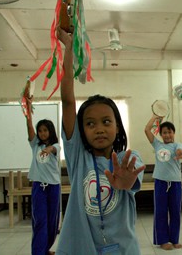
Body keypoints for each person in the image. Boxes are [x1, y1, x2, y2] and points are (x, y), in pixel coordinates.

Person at [55, 26, 146, 255]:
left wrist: (125, 183)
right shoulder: (78, 157)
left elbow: (130, 182)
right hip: (84, 248)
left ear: (117, 126)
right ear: (82, 130)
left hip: (123, 249)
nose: (99, 129)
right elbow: (67, 101)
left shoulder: (129, 159)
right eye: (90, 123)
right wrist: (68, 49)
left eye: (106, 122)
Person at [25, 97, 61, 255]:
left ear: (50, 131)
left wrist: (49, 149)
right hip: (39, 187)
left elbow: (54, 149)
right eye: (40, 130)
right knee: (40, 221)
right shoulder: (35, 144)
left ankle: (45, 249)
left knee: (52, 222)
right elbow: (29, 127)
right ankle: (38, 252)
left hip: (53, 187)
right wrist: (28, 110)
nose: (42, 133)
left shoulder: (56, 145)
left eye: (45, 130)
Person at [144, 115, 182, 250]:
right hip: (161, 182)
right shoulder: (157, 144)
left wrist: (180, 153)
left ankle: (174, 239)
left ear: (173, 133)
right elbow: (146, 130)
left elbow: (181, 151)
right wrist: (155, 117)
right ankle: (162, 240)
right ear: (161, 134)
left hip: (175, 183)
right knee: (161, 211)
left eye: (170, 132)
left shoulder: (177, 145)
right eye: (164, 132)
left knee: (175, 212)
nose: (167, 135)